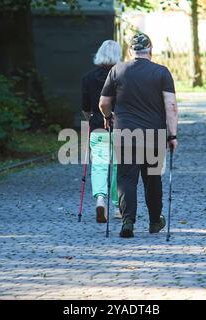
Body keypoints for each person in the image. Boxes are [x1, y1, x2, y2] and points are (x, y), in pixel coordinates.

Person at [99, 33, 179, 238]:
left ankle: (128, 221)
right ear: (150, 50)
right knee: (152, 178)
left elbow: (103, 103)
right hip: (154, 134)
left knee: (126, 177)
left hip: (125, 132)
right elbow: (170, 106)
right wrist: (172, 135)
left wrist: (108, 117)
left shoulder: (117, 70)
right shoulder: (161, 72)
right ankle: (154, 221)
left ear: (129, 51)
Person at [82, 40, 122, 223]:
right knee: (118, 166)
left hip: (98, 126)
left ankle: (100, 199)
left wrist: (90, 119)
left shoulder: (88, 78)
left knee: (99, 164)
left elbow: (85, 108)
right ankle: (118, 206)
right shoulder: (122, 76)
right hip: (120, 127)